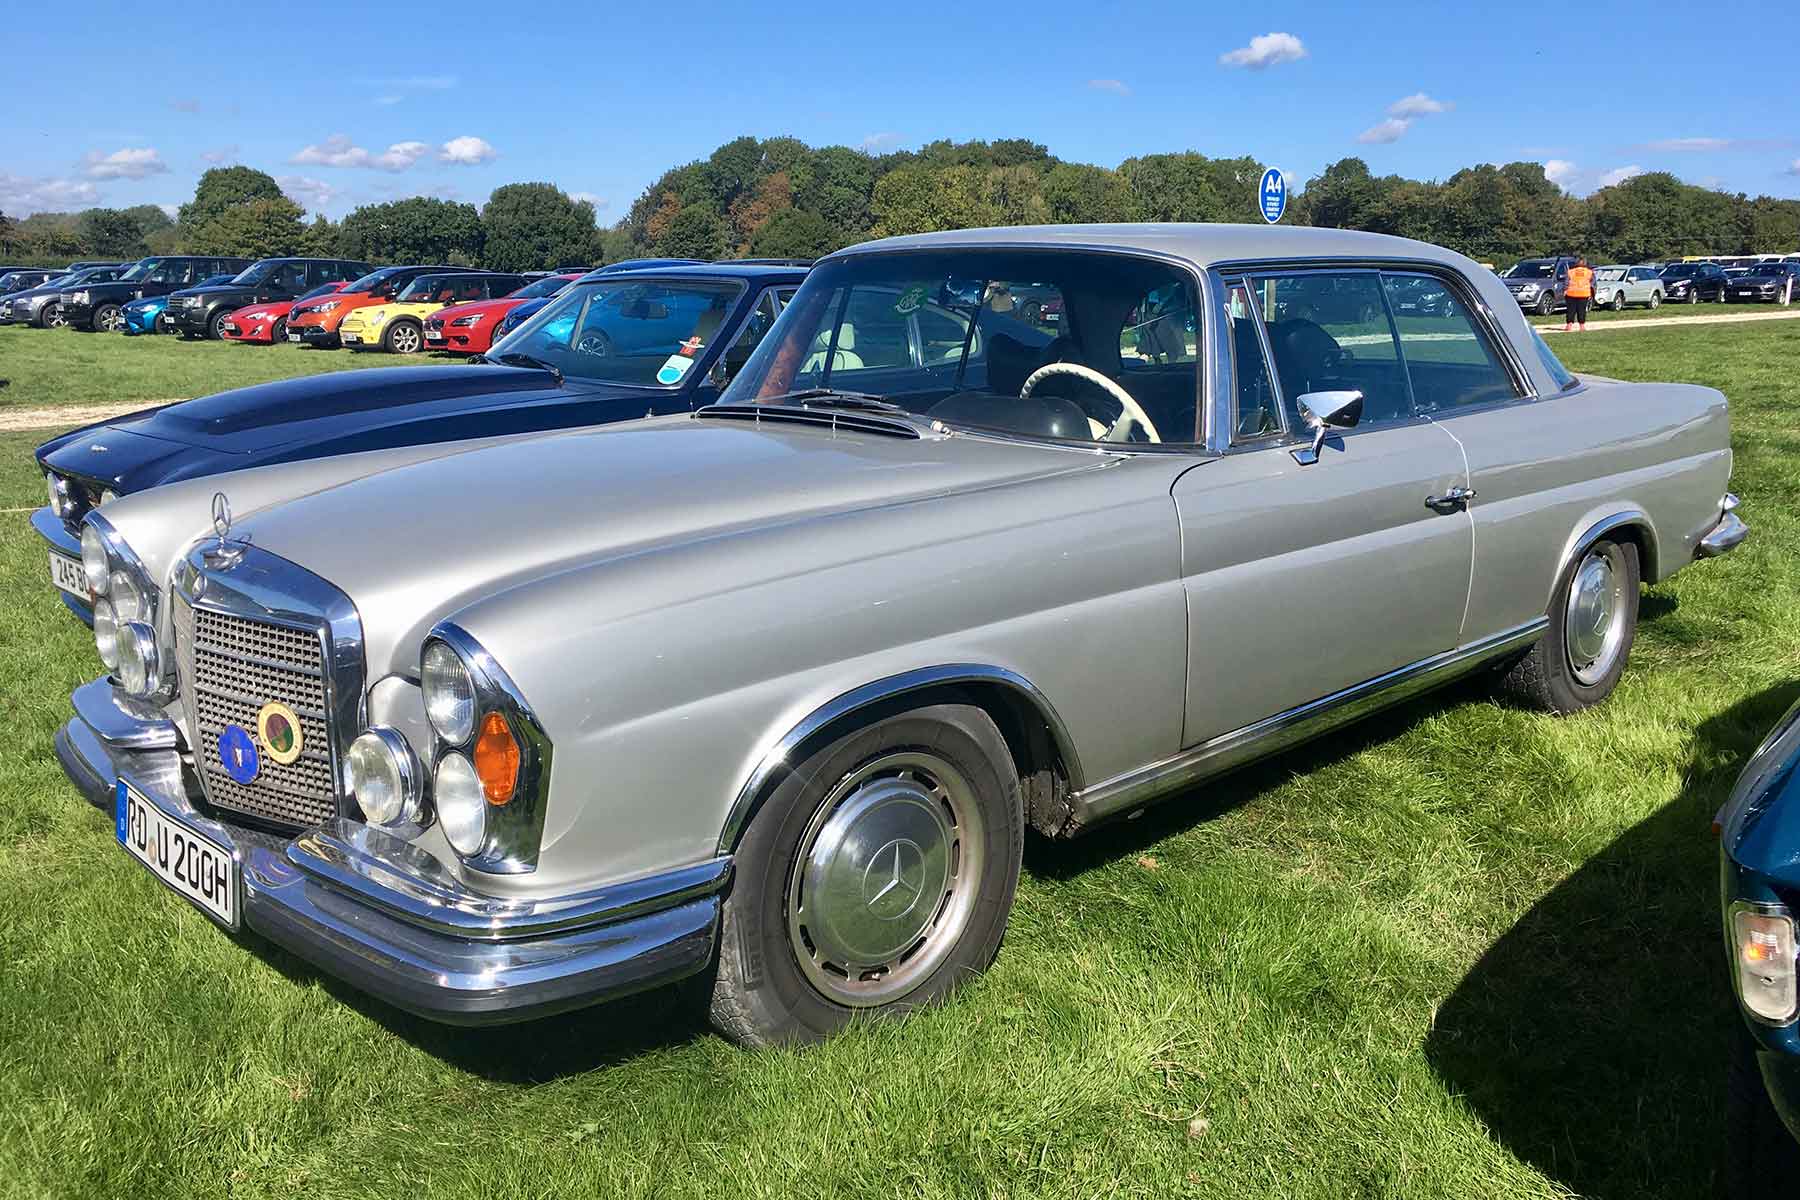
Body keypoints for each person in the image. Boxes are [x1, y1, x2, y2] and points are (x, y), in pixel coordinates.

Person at [1564, 256, 1594, 332]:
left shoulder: (1570, 271)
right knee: (1582, 310)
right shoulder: (1589, 272)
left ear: (1576, 263)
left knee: (1571, 310)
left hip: (1571, 293)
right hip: (1584, 294)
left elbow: (1566, 282)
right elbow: (1593, 283)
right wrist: (1593, 292)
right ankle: (1582, 326)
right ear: (1585, 263)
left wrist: (1564, 290)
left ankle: (1569, 325)